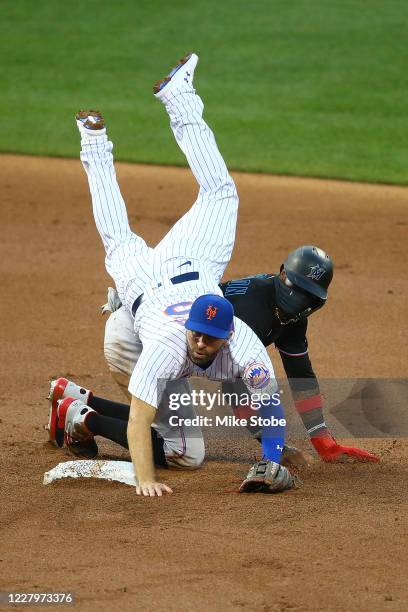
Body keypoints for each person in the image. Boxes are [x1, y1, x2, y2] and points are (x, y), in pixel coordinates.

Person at [48, 53, 294, 497]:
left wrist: (272, 456)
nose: (201, 342)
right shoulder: (167, 345)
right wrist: (145, 481)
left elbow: (267, 405)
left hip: (188, 267)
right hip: (137, 313)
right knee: (185, 452)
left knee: (216, 194)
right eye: (198, 334)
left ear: (229, 334)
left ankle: (177, 97)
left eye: (210, 338)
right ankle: (94, 141)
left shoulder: (245, 345)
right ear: (191, 327)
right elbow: (141, 417)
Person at [75, 245, 378, 464]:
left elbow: (301, 376)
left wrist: (322, 439)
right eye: (295, 288)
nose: (298, 300)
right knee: (182, 450)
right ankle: (81, 419)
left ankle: (79, 400)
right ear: (282, 273)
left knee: (162, 421)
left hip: (175, 336)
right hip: (147, 338)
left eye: (308, 296)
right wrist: (270, 446)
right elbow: (234, 389)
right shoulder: (252, 310)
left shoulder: (291, 318)